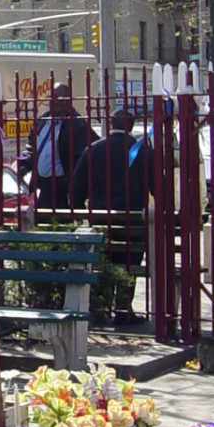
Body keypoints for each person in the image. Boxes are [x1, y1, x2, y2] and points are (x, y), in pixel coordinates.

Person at [71, 107, 154, 324]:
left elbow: (77, 187)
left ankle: (99, 307)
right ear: (132, 125)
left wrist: (79, 211)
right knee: (129, 262)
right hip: (132, 220)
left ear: (111, 124)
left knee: (103, 261)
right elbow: (157, 186)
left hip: (101, 218)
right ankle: (123, 308)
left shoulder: (94, 149)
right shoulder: (142, 150)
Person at [17, 84, 96, 210]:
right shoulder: (43, 121)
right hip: (41, 185)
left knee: (60, 222)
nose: (54, 103)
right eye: (52, 99)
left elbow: (83, 158)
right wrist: (24, 164)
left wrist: (70, 182)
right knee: (41, 222)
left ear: (67, 102)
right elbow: (32, 146)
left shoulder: (78, 125)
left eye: (58, 100)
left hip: (62, 187)